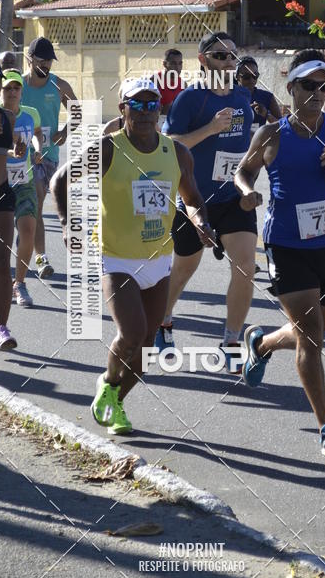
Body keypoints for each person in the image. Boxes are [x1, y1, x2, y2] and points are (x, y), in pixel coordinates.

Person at [50, 78, 214, 435]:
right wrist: (66, 224)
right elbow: (60, 181)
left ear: (160, 110)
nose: (144, 113)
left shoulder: (177, 153)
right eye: (135, 105)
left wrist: (201, 222)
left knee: (147, 348)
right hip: (116, 258)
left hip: (158, 261)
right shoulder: (109, 149)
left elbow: (193, 197)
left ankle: (116, 401)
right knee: (132, 332)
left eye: (150, 105)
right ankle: (108, 382)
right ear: (122, 109)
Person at [235, 52, 325, 458]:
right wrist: (247, 193)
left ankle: (260, 344)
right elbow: (244, 171)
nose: (317, 93)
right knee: (312, 340)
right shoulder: (272, 135)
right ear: (290, 88)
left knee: (313, 332)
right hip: (287, 246)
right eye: (309, 85)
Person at [158, 32, 256, 362]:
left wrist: (247, 184)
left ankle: (231, 342)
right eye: (220, 55)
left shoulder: (243, 99)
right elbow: (168, 145)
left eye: (233, 56)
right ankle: (163, 321)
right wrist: (210, 130)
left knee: (246, 266)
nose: (229, 62)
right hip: (193, 198)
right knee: (185, 268)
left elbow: (245, 151)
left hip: (231, 198)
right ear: (203, 60)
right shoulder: (190, 99)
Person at [21, 36, 77, 279]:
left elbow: (78, 111)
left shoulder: (59, 86)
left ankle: (37, 253)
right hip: (22, 158)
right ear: (30, 59)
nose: (46, 65)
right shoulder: (18, 87)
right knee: (33, 206)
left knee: (36, 206)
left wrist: (65, 132)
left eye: (49, 61)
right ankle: (37, 256)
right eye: (41, 60)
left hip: (49, 156)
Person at [0, 71, 43, 307]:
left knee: (28, 230)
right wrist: (9, 152)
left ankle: (19, 284)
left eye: (16, 88)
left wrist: (36, 149)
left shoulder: (31, 114)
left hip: (23, 181)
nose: (12, 92)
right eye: (8, 88)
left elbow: (37, 133)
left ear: (21, 92)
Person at [0, 64, 21, 349]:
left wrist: (18, 150)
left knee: (2, 260)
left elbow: (8, 147)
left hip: (2, 193)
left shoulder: (7, 116)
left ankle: (2, 328)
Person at [235, 56, 281, 133]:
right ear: (237, 76)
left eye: (255, 76)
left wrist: (266, 114)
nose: (251, 80)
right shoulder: (227, 96)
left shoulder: (267, 97)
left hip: (257, 144)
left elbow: (282, 127)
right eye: (246, 77)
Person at [155, 48, 186, 115]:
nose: (177, 67)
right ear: (164, 64)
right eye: (173, 63)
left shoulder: (183, 84)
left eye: (180, 63)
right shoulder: (155, 81)